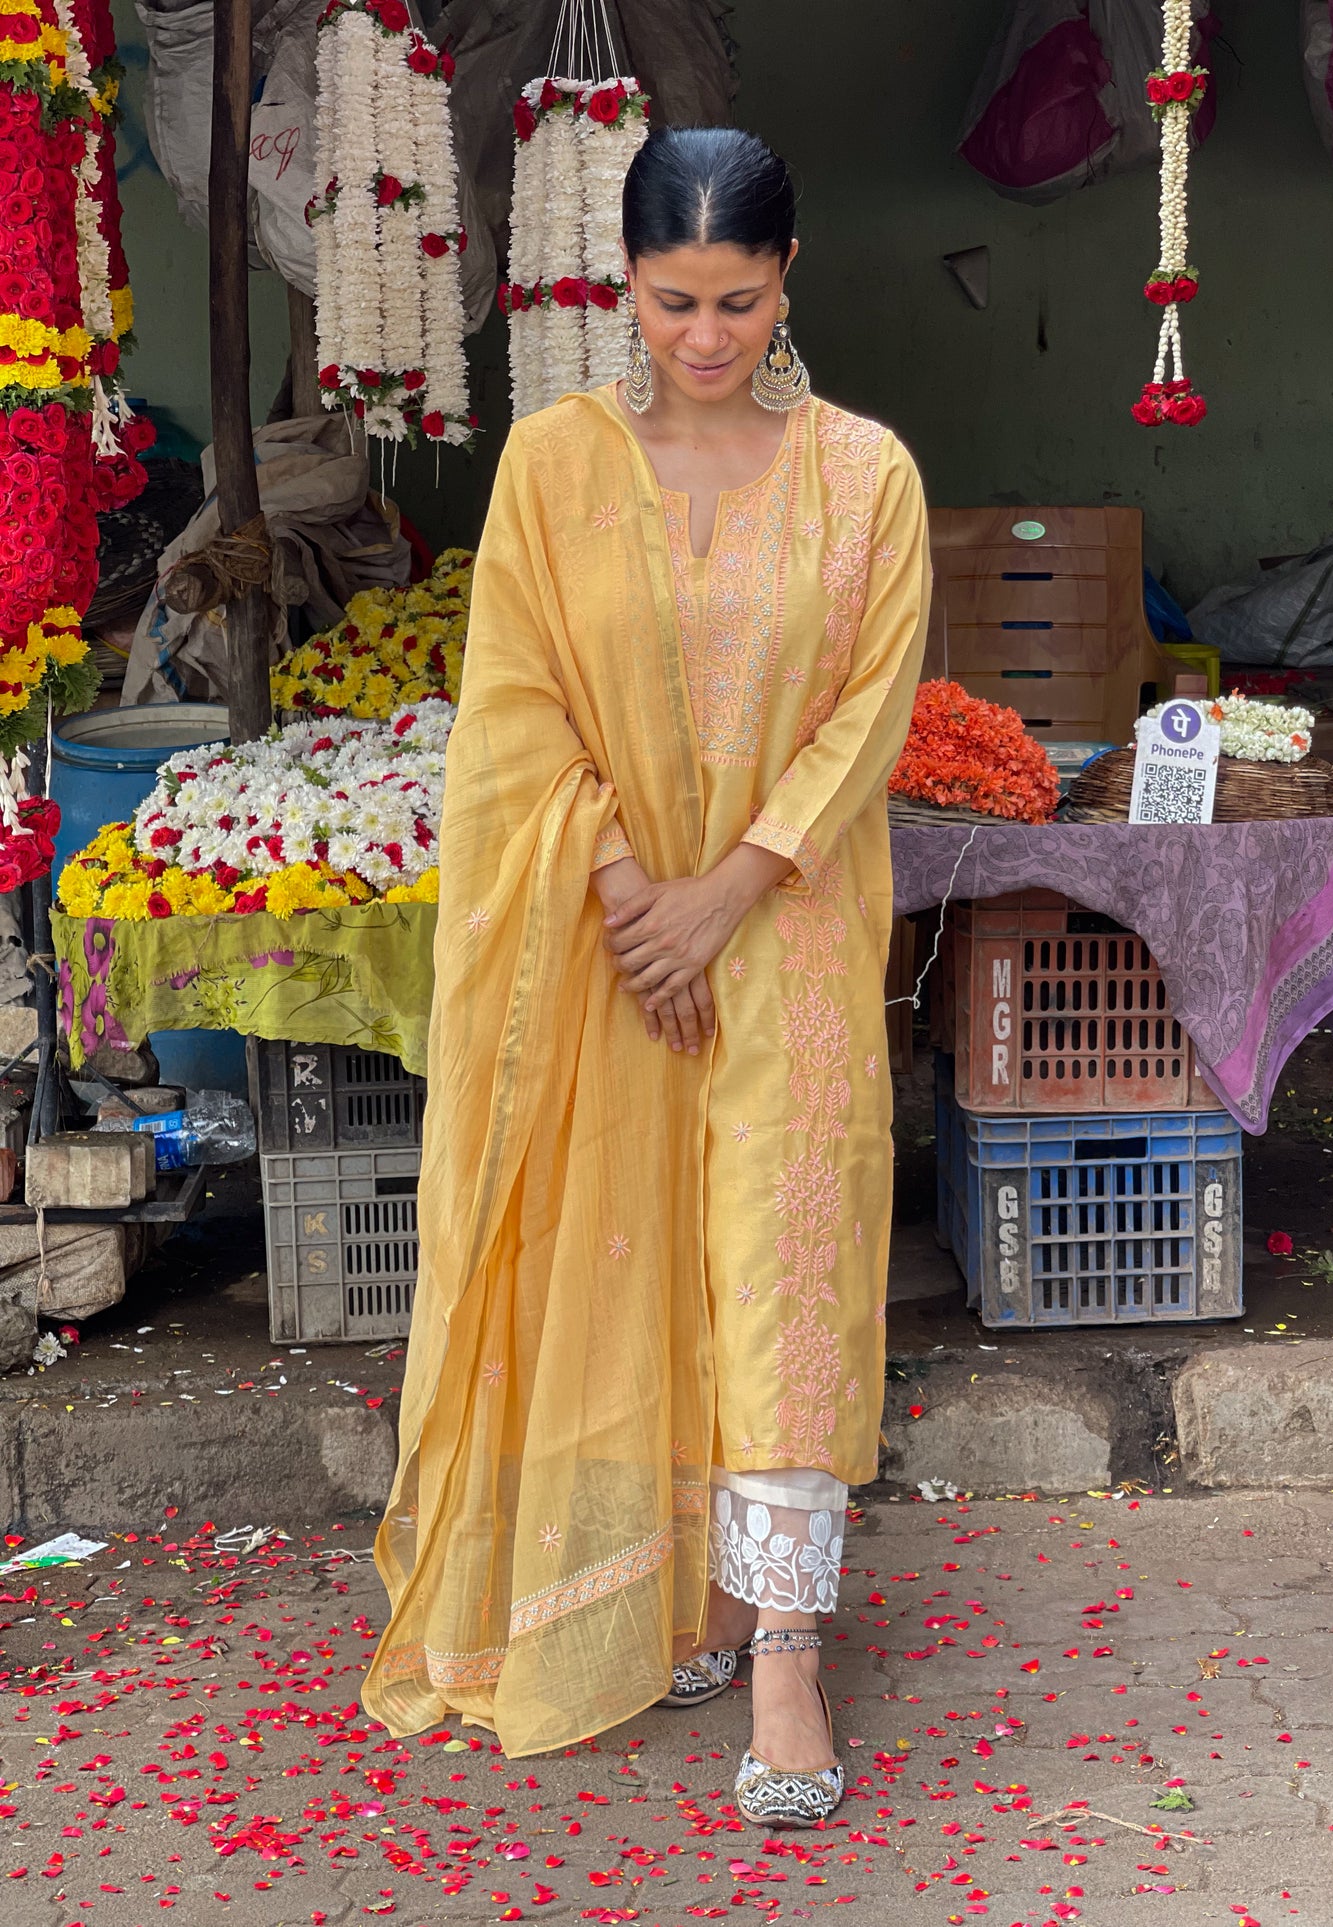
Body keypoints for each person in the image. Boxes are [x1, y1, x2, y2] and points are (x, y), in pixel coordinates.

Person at [363, 125, 931, 1829]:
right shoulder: (550, 464)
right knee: (618, 1247)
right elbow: (516, 703)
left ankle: (781, 1653)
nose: (705, 338)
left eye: (738, 303)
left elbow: (867, 712)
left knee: (778, 1256)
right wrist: (630, 894)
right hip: (609, 941)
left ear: (789, 280)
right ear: (621, 288)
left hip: (790, 932)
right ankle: (667, 1585)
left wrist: (725, 893)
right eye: (674, 302)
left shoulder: (863, 475)